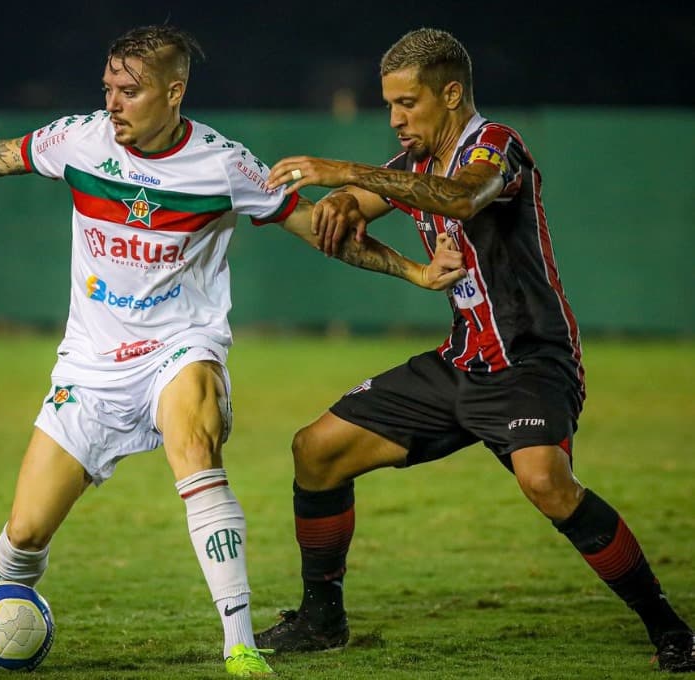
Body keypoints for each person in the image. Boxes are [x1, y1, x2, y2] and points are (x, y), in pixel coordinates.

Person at [0, 25, 467, 677]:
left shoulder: (222, 165)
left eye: (129, 91)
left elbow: (318, 230)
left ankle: (241, 645)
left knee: (193, 446)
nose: (113, 103)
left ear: (173, 92)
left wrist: (415, 272)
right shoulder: (78, 141)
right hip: (90, 365)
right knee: (24, 534)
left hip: (179, 347)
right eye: (108, 88)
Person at [254, 27, 695, 673]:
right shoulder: (413, 165)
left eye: (408, 103)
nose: (396, 118)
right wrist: (346, 202)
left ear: (451, 93)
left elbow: (462, 199)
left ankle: (669, 627)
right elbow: (377, 196)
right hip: (460, 362)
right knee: (316, 450)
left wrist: (341, 172)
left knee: (545, 481)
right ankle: (322, 621)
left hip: (529, 362)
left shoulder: (495, 147)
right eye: (389, 106)